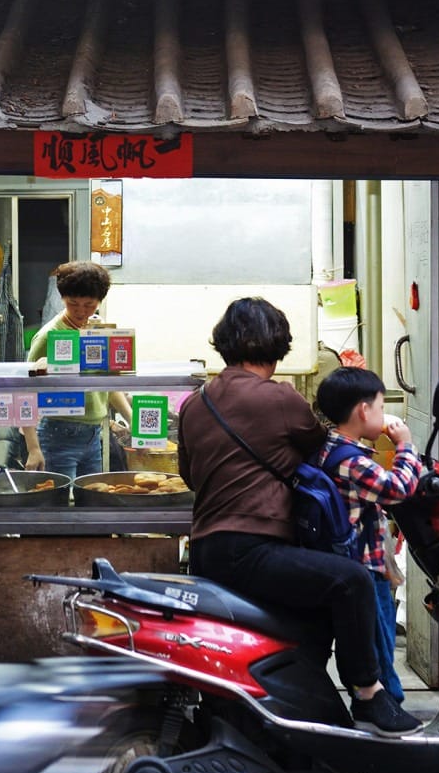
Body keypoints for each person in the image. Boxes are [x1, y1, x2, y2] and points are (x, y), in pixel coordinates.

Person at [177, 298, 420, 736]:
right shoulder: (281, 398)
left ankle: (303, 711)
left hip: (206, 550)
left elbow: (190, 476)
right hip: (254, 549)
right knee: (351, 581)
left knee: (313, 612)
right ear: (277, 344)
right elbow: (320, 453)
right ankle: (367, 695)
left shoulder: (196, 404)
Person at [314, 366, 430, 705]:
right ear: (364, 411)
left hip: (350, 562)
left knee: (369, 639)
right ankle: (386, 709)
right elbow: (398, 490)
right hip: (365, 566)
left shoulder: (328, 447)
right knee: (378, 642)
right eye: (380, 407)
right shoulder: (352, 461)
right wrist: (406, 444)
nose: (383, 414)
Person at [23, 261, 129, 479]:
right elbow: (26, 393)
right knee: (61, 506)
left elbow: (106, 381)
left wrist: (132, 419)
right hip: (58, 434)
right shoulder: (49, 336)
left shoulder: (95, 331)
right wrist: (33, 448)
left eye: (89, 305)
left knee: (90, 500)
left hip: (93, 435)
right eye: (73, 304)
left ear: (100, 301)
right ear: (62, 298)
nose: (81, 311)